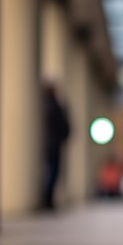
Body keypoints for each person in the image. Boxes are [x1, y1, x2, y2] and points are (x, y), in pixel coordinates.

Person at [43, 82, 70, 210]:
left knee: (52, 172)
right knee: (52, 172)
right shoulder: (55, 107)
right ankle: (47, 198)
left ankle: (48, 198)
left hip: (51, 145)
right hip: (53, 145)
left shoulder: (47, 106)